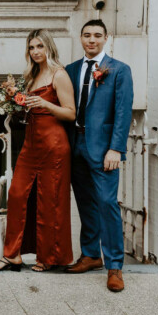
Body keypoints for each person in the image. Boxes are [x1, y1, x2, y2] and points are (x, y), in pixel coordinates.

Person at [0, 29, 75, 273]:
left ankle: (49, 257)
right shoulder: (31, 76)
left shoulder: (60, 75)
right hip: (31, 144)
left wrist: (46, 104)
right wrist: (12, 103)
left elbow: (70, 112)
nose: (35, 52)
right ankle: (12, 255)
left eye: (39, 46)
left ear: (49, 47)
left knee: (50, 201)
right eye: (31, 47)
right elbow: (29, 109)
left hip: (54, 145)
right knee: (16, 195)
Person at [64, 19, 133, 292]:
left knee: (107, 203)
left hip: (104, 148)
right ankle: (91, 255)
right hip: (75, 145)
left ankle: (114, 265)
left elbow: (123, 111)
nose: (91, 40)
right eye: (87, 35)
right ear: (80, 38)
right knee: (85, 203)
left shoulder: (118, 70)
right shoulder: (70, 70)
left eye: (97, 36)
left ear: (107, 38)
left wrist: (116, 148)